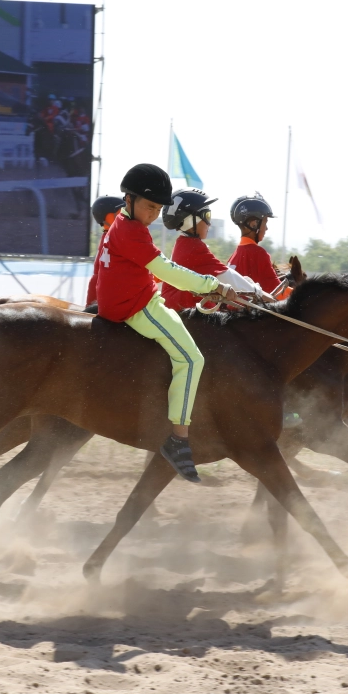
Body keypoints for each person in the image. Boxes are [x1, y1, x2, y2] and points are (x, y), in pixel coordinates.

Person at [96, 163, 236, 484]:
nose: (152, 214)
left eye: (157, 209)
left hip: (145, 299)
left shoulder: (125, 222)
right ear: (128, 199)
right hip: (137, 308)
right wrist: (211, 285)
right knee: (192, 359)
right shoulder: (130, 231)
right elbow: (166, 271)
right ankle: (178, 438)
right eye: (148, 207)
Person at [160, 187, 271, 311]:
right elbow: (226, 276)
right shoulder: (193, 248)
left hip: (185, 309)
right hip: (185, 312)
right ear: (191, 220)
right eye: (207, 216)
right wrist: (259, 293)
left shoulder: (184, 243)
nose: (209, 223)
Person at [227, 192, 292, 300]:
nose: (266, 228)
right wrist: (305, 294)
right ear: (253, 224)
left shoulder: (235, 255)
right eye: (265, 222)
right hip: (246, 315)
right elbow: (279, 293)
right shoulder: (258, 253)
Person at [85, 195, 124, 310]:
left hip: (99, 290)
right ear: (107, 216)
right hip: (106, 294)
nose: (125, 216)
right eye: (120, 212)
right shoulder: (118, 238)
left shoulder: (107, 236)